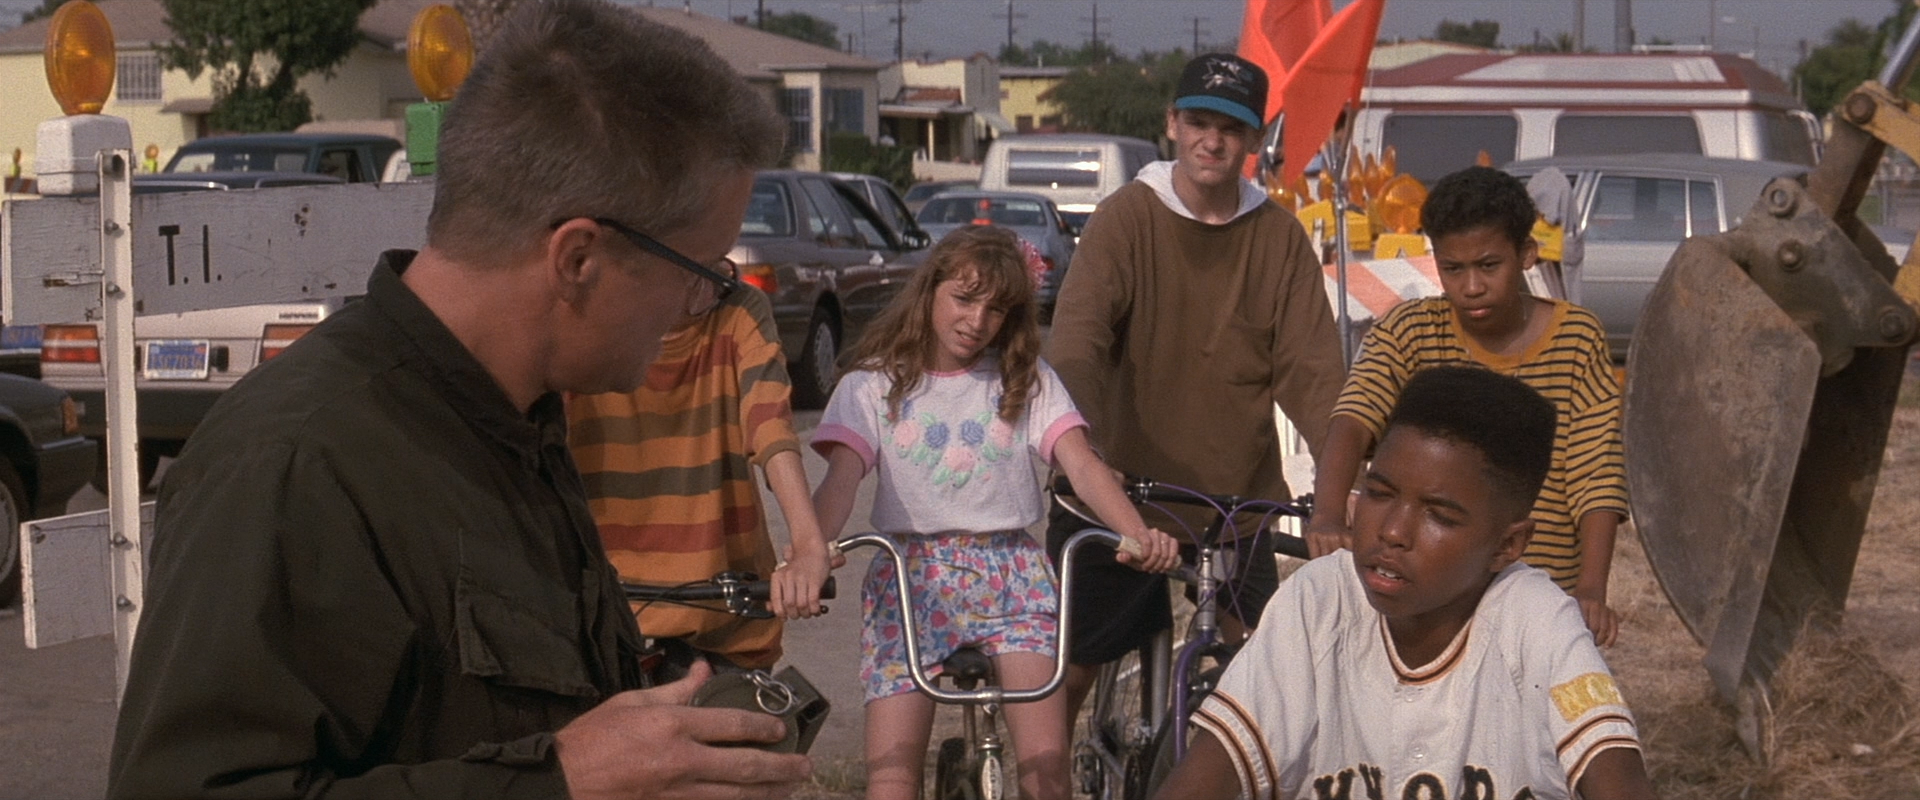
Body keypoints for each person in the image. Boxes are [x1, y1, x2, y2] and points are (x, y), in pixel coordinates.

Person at [106, 2, 813, 798]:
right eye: (701, 270)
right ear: (578, 259)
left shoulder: (519, 419)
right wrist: (561, 783)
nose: (704, 301)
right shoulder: (295, 465)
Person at [1154, 366, 1657, 800]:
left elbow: (1617, 776)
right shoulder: (1321, 601)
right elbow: (1204, 777)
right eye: (1379, 493)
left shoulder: (1535, 618)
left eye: (1439, 515)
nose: (1393, 531)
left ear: (1508, 545)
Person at [809, 226, 1180, 800]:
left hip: (1011, 577)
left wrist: (1136, 533)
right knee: (891, 773)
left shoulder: (1025, 380)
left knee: (1046, 768)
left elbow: (1082, 466)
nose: (977, 321)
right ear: (929, 291)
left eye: (997, 309)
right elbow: (840, 481)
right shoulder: (871, 385)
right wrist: (809, 553)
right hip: (911, 580)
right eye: (964, 299)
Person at [1043, 51, 1347, 723]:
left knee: (1261, 677)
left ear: (1253, 140)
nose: (1213, 141)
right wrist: (1084, 450)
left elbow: (1315, 372)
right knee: (1072, 671)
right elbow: (1078, 343)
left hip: (1234, 499)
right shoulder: (1127, 217)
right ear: (1172, 124)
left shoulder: (1278, 237)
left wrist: (1340, 483)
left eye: (1232, 128)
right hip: (1118, 490)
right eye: (1200, 123)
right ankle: (1047, 773)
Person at [1304, 165, 1629, 646]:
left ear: (1527, 254)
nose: (1472, 286)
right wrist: (1328, 515)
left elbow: (1595, 473)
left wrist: (1591, 589)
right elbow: (1354, 418)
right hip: (1433, 596)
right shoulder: (1410, 332)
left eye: (1489, 266)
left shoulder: (1577, 339)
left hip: (1541, 594)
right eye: (1453, 269)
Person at [568, 282, 832, 676]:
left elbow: (769, 425)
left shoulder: (739, 309)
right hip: (603, 621)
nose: (712, 277)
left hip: (726, 619)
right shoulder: (581, 318)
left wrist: (808, 543)